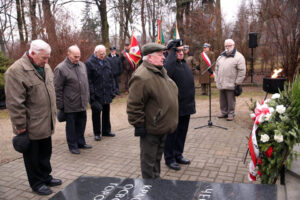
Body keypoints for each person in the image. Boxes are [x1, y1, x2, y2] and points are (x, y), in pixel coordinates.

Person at [4, 39, 62, 195]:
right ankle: (36, 183)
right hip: (30, 126)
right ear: (32, 53)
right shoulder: (16, 71)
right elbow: (15, 103)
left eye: (48, 57)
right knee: (32, 157)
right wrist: (21, 127)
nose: (47, 61)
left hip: (46, 122)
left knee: (45, 153)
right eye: (44, 58)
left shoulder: (46, 67)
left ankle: (46, 177)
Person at [127, 43, 178, 179]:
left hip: (160, 126)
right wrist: (138, 125)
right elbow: (134, 105)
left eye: (163, 54)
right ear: (149, 57)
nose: (164, 58)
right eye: (160, 55)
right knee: (148, 161)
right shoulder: (142, 76)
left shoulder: (160, 70)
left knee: (156, 159)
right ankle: (149, 187)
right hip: (151, 128)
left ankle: (156, 182)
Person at [164, 39, 196, 171]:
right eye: (178, 51)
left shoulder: (183, 63)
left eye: (182, 50)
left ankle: (178, 154)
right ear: (171, 52)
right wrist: (172, 50)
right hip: (174, 107)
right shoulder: (168, 65)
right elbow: (168, 70)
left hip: (186, 106)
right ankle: (169, 158)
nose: (181, 53)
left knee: (182, 133)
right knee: (172, 134)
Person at [54, 45, 92, 154]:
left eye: (79, 56)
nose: (77, 59)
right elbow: (57, 89)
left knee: (81, 124)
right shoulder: (60, 68)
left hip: (82, 102)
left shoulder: (82, 65)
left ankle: (81, 142)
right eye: (75, 57)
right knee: (71, 127)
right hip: (69, 104)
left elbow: (85, 83)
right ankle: (73, 146)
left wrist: (87, 97)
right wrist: (60, 106)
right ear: (68, 55)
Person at [86, 45, 116, 141]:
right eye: (101, 54)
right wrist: (92, 94)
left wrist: (112, 90)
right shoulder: (89, 63)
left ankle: (106, 131)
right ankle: (97, 133)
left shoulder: (107, 61)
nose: (103, 56)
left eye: (104, 54)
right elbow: (88, 81)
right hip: (96, 93)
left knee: (106, 112)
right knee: (96, 113)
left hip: (106, 92)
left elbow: (111, 77)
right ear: (95, 53)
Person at [215, 39, 246, 121]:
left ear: (234, 45)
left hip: (232, 83)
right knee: (222, 99)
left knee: (230, 100)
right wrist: (216, 79)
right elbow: (216, 68)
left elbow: (242, 70)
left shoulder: (239, 57)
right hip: (221, 82)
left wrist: (238, 82)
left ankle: (231, 113)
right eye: (226, 46)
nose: (227, 47)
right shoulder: (221, 56)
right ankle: (224, 112)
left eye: (229, 46)